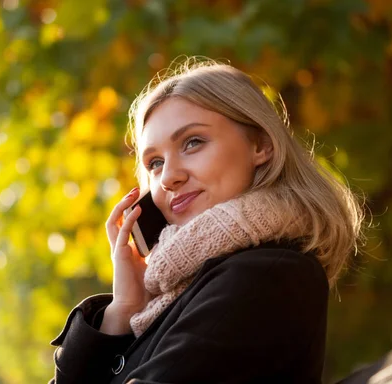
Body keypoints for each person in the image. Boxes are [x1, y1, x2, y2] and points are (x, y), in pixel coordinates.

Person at [49, 58, 364, 383]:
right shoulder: (169, 295)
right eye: (155, 163)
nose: (169, 177)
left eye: (193, 142)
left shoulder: (267, 275)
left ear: (261, 144)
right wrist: (122, 312)